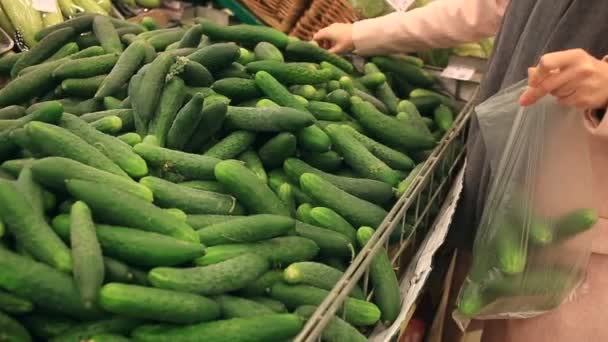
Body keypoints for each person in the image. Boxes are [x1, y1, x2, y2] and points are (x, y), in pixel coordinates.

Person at [314, 1, 608, 341]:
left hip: (580, 217)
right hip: (502, 176)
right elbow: (490, 6)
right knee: (487, 312)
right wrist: (360, 34)